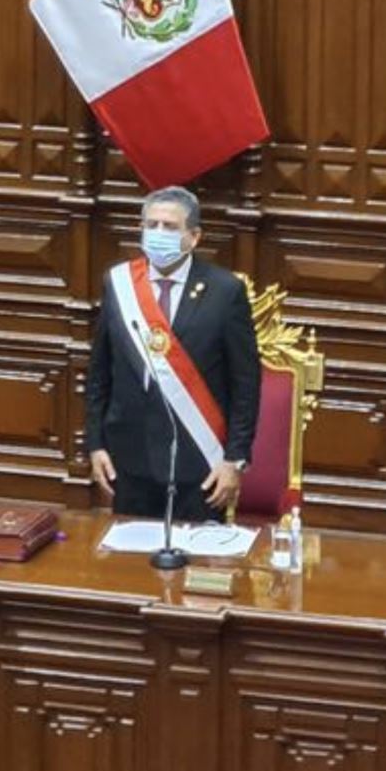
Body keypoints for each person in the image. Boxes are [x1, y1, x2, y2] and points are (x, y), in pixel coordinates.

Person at [84, 187, 260, 521]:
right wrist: (96, 444)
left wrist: (234, 460)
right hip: (130, 459)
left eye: (169, 226)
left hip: (200, 461)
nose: (158, 234)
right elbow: (99, 372)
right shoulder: (119, 284)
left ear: (194, 237)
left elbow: (245, 385)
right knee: (130, 566)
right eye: (151, 225)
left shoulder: (225, 291)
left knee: (196, 566)